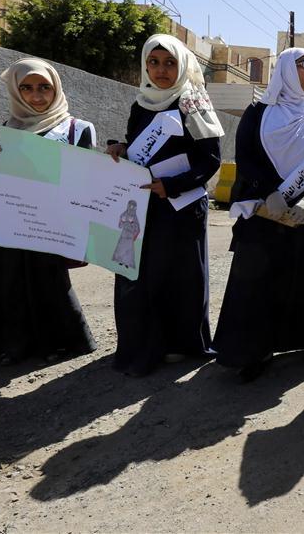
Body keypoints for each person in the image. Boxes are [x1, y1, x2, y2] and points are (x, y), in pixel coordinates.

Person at [212, 48, 304, 382]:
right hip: (265, 215)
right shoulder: (258, 113)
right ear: (285, 69)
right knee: (259, 284)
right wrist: (269, 190)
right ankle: (254, 351)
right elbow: (246, 157)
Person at [106, 34, 223, 376]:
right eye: (154, 62)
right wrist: (120, 149)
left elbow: (210, 160)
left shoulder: (193, 103)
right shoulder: (141, 104)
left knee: (180, 276)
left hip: (182, 207)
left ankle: (180, 343)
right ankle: (146, 345)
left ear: (182, 65)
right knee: (144, 276)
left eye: (170, 63)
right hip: (146, 205)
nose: (161, 70)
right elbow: (137, 150)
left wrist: (172, 186)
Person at [0, 58, 97, 365]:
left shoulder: (77, 129)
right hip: (11, 219)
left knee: (47, 282)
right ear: (15, 91)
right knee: (7, 282)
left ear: (56, 88)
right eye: (26, 88)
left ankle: (56, 343)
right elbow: (7, 180)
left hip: (49, 224)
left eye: (44, 87)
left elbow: (87, 180)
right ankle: (11, 344)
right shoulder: (9, 128)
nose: (36, 96)